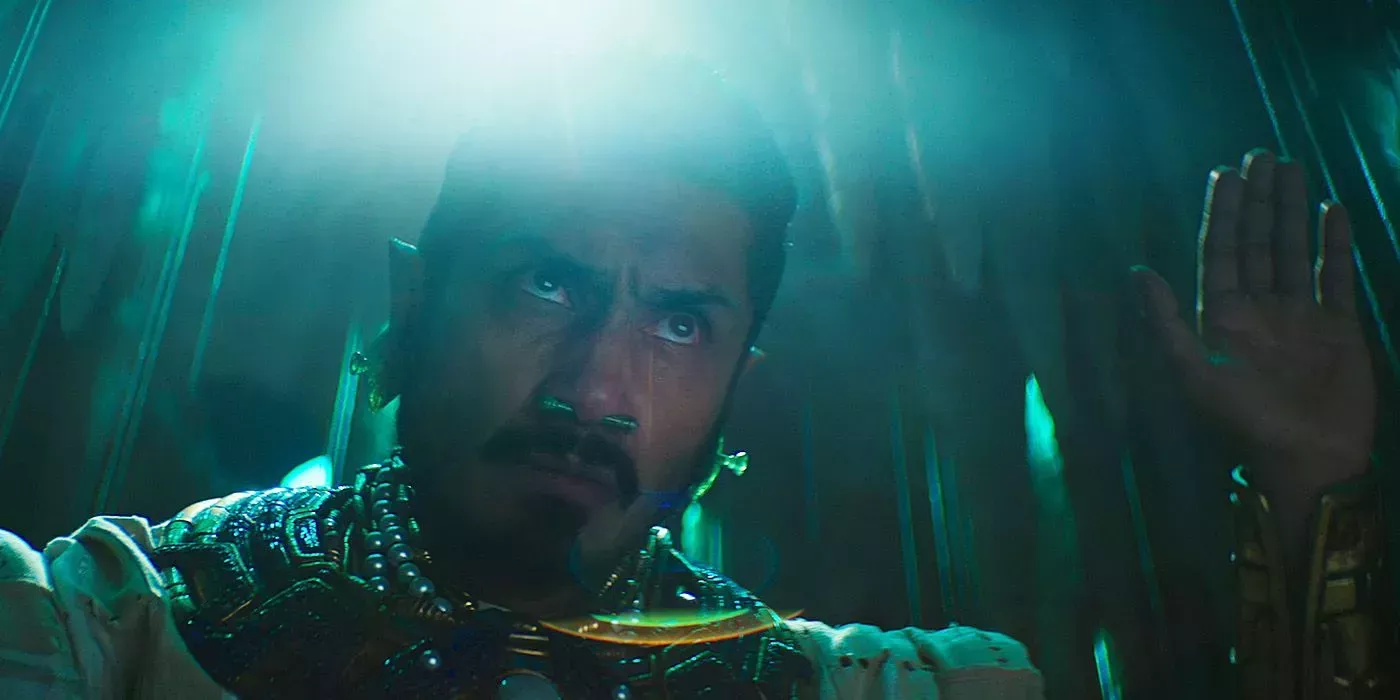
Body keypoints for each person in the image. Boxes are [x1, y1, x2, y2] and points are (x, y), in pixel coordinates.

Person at [0, 55, 1383, 699]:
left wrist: (1306, 488)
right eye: (547, 285)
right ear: (412, 308)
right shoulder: (122, 626)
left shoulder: (837, 693)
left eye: (678, 325)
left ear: (736, 389)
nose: (596, 383)